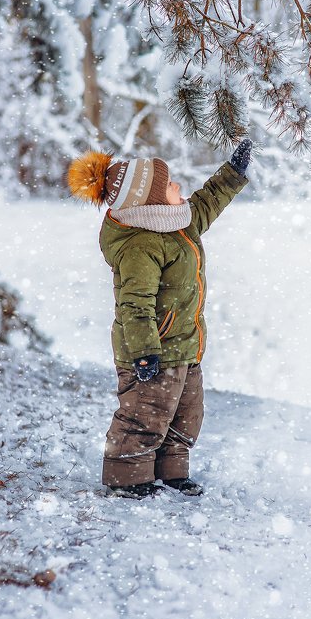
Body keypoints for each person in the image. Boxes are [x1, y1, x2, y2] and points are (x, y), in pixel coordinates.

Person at [67, 139, 252, 498]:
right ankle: (128, 475)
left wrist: (233, 174)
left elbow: (206, 204)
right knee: (145, 414)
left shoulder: (176, 222)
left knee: (185, 415)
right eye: (169, 185)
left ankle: (171, 471)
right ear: (147, 201)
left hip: (185, 344)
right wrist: (144, 351)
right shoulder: (141, 245)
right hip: (152, 350)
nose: (178, 187)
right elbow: (134, 304)